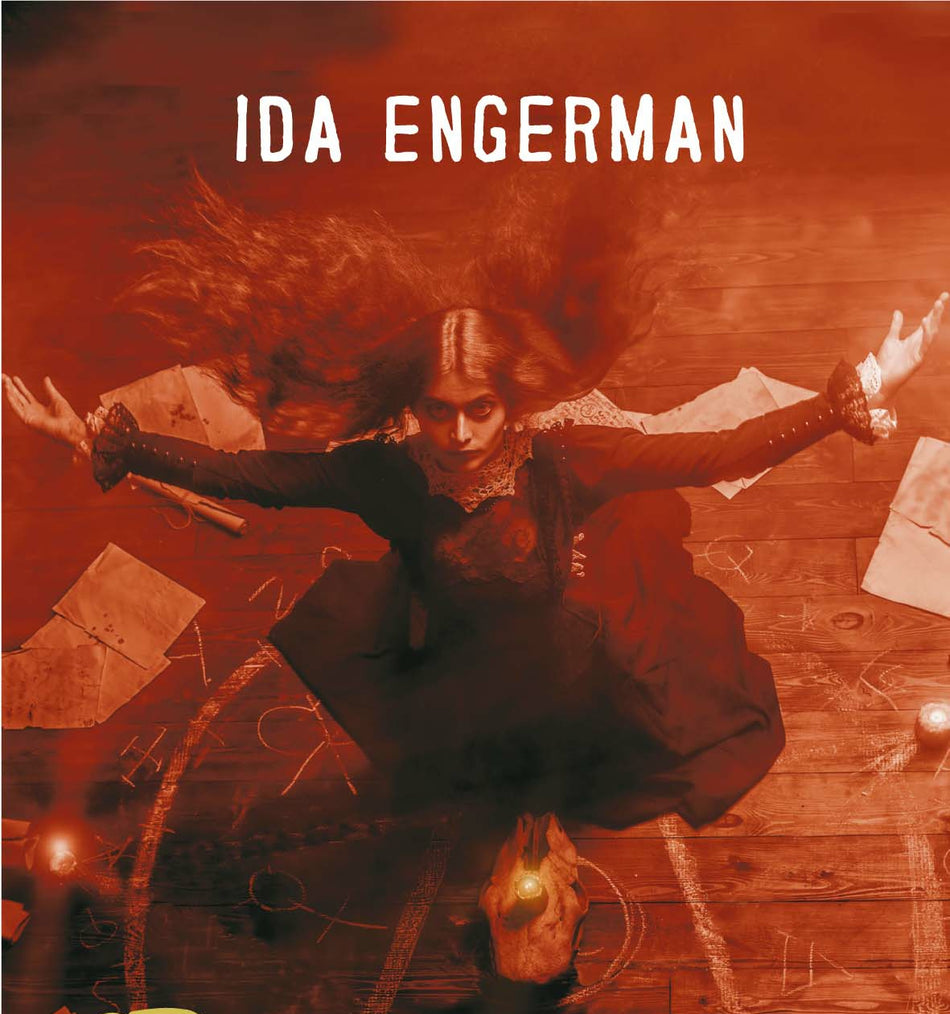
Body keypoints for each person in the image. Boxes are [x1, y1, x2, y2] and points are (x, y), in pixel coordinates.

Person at [4, 184, 945, 829]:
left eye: (479, 410)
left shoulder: (569, 460)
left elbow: (719, 452)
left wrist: (857, 390)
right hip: (456, 659)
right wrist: (106, 442)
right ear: (411, 406)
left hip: (561, 649)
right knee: (472, 771)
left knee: (624, 750)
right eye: (437, 411)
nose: (457, 434)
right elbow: (252, 478)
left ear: (513, 403)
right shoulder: (384, 473)